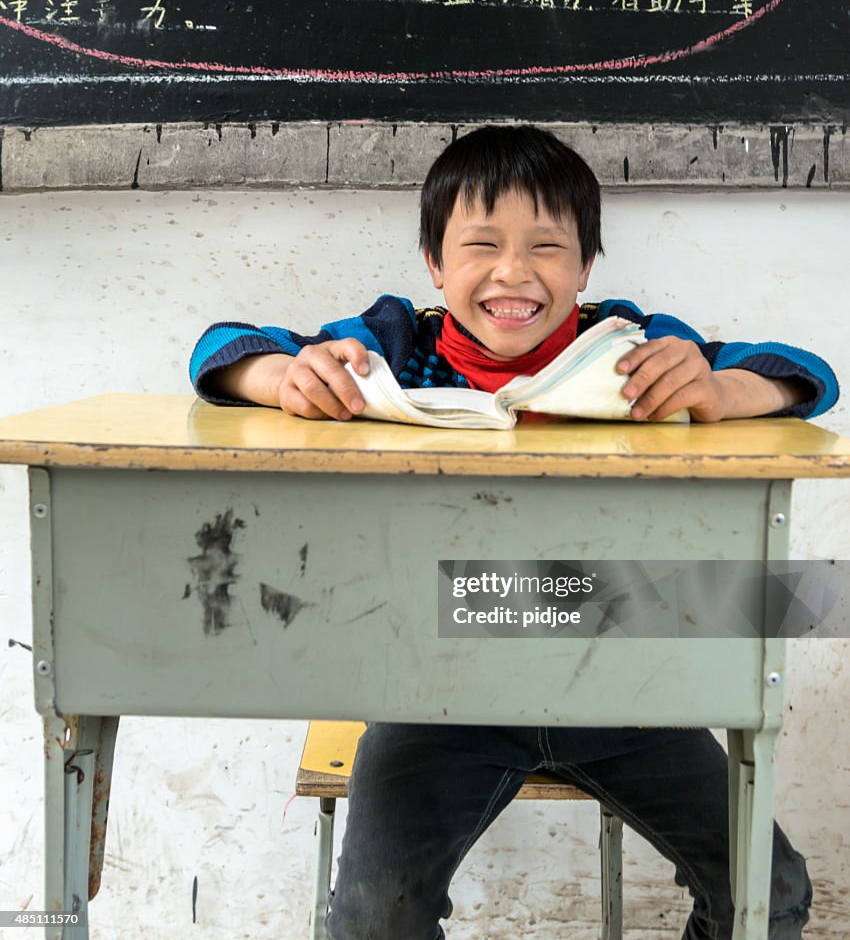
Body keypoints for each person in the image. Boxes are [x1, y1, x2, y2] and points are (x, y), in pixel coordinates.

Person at [191, 126, 836, 939]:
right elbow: (216, 350)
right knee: (373, 915)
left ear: (586, 267)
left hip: (622, 685)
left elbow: (807, 375)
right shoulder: (395, 346)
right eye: (482, 245)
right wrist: (280, 375)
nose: (513, 273)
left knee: (769, 893)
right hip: (437, 692)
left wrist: (726, 386)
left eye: (547, 247)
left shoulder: (628, 347)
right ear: (434, 263)